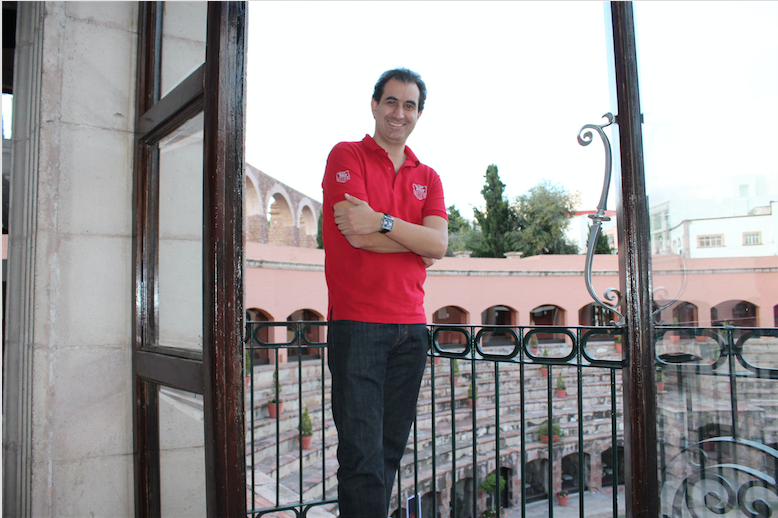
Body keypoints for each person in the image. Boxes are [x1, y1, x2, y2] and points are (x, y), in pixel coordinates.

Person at [321, 68, 448, 518]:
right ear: (375, 105)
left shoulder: (428, 176)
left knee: (389, 452)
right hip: (357, 324)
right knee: (362, 458)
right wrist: (416, 243)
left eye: (409, 105)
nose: (399, 112)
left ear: (419, 114)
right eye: (391, 101)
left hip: (411, 329)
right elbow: (356, 235)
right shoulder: (347, 155)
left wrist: (384, 222)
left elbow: (440, 245)